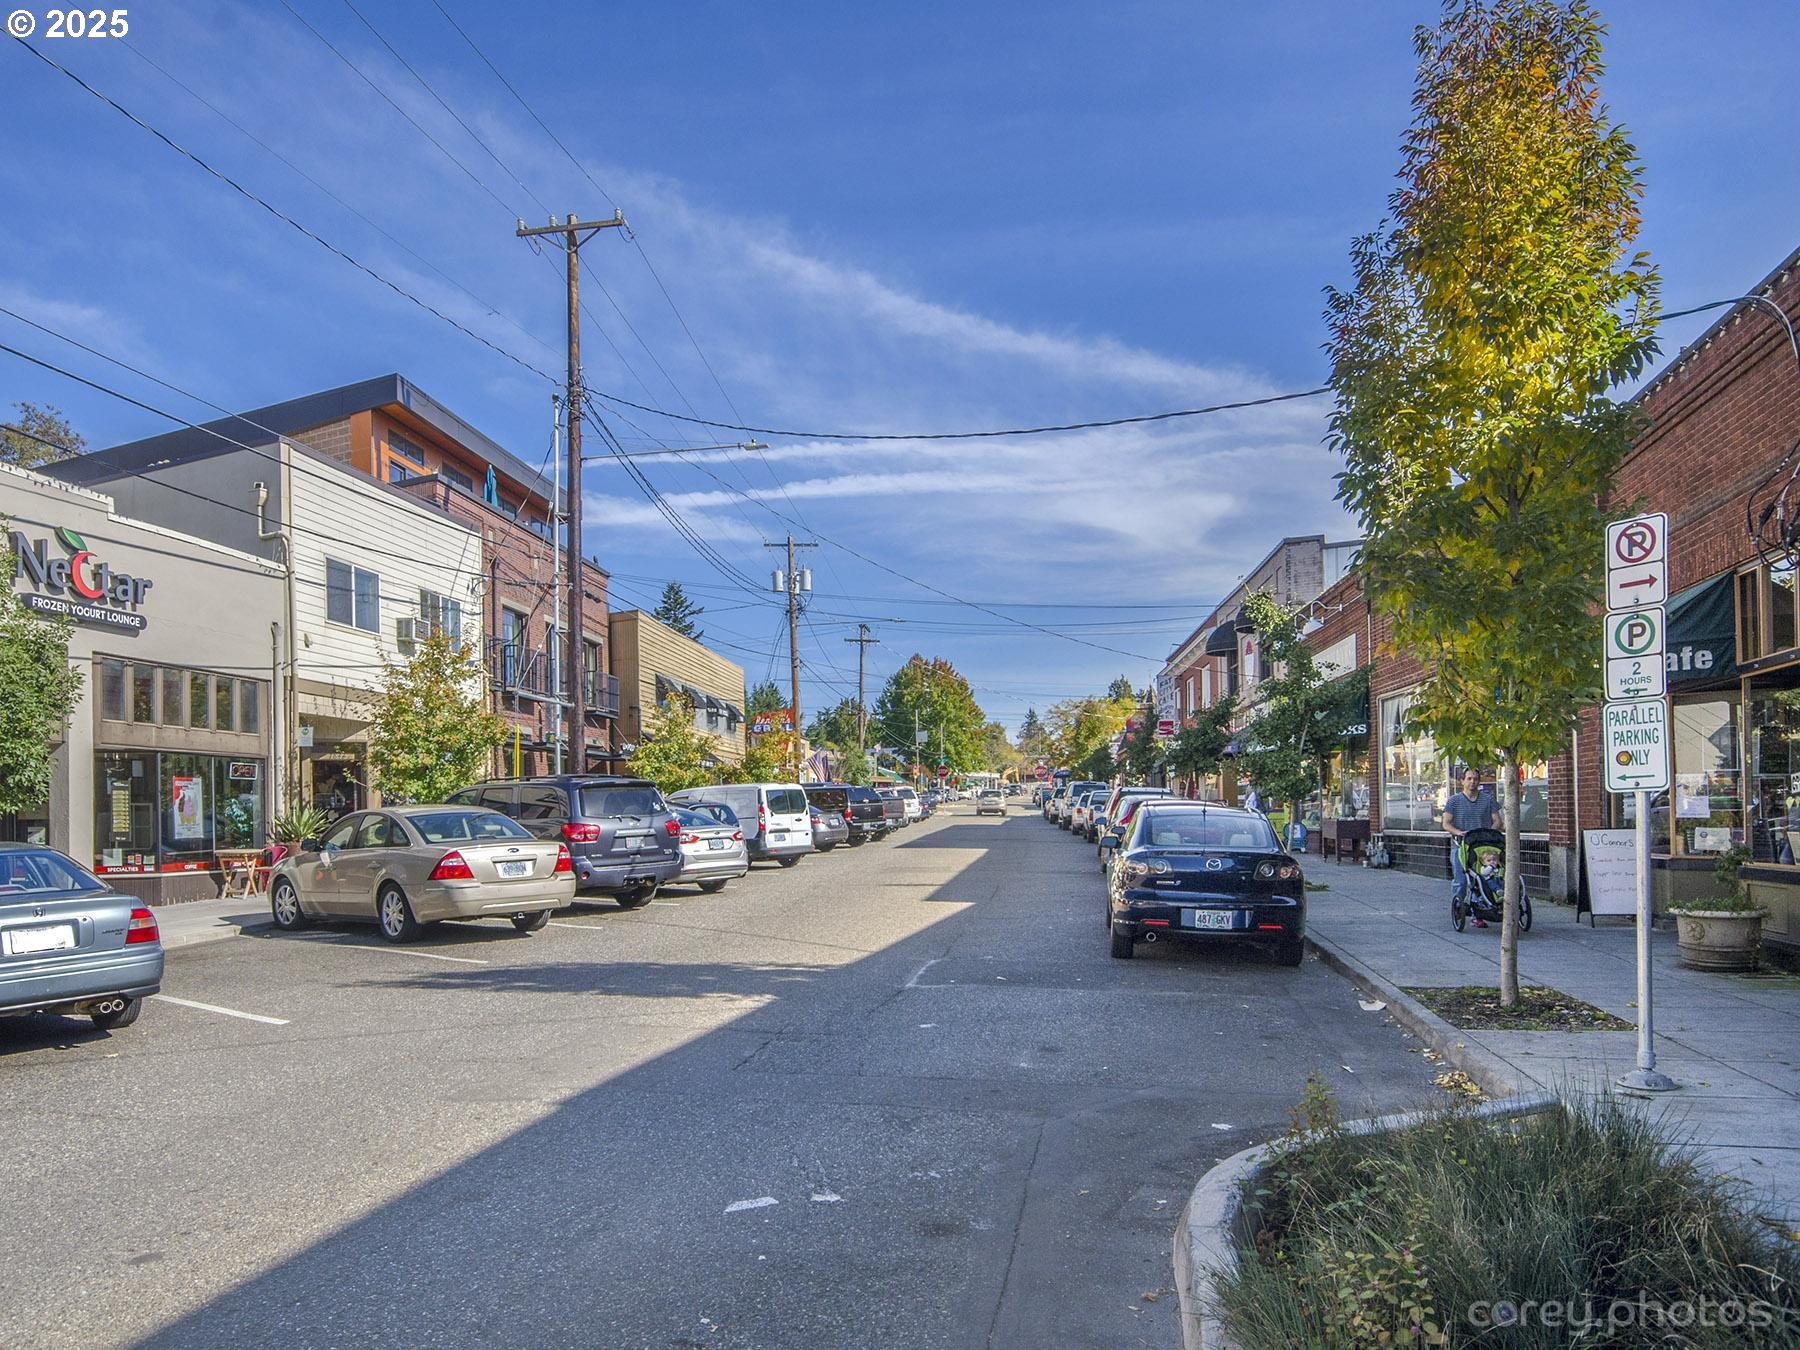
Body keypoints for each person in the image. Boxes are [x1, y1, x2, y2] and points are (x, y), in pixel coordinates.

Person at [1443, 767, 1501, 928]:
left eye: (1475, 779)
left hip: (1482, 846)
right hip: (1461, 845)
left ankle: (1479, 913)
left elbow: (1497, 820)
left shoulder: (1488, 799)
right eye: (1469, 779)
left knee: (1482, 879)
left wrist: (1489, 833)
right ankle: (1458, 907)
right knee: (1461, 881)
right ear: (1462, 781)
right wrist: (1458, 832)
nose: (1472, 782)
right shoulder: (1454, 801)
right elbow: (1446, 823)